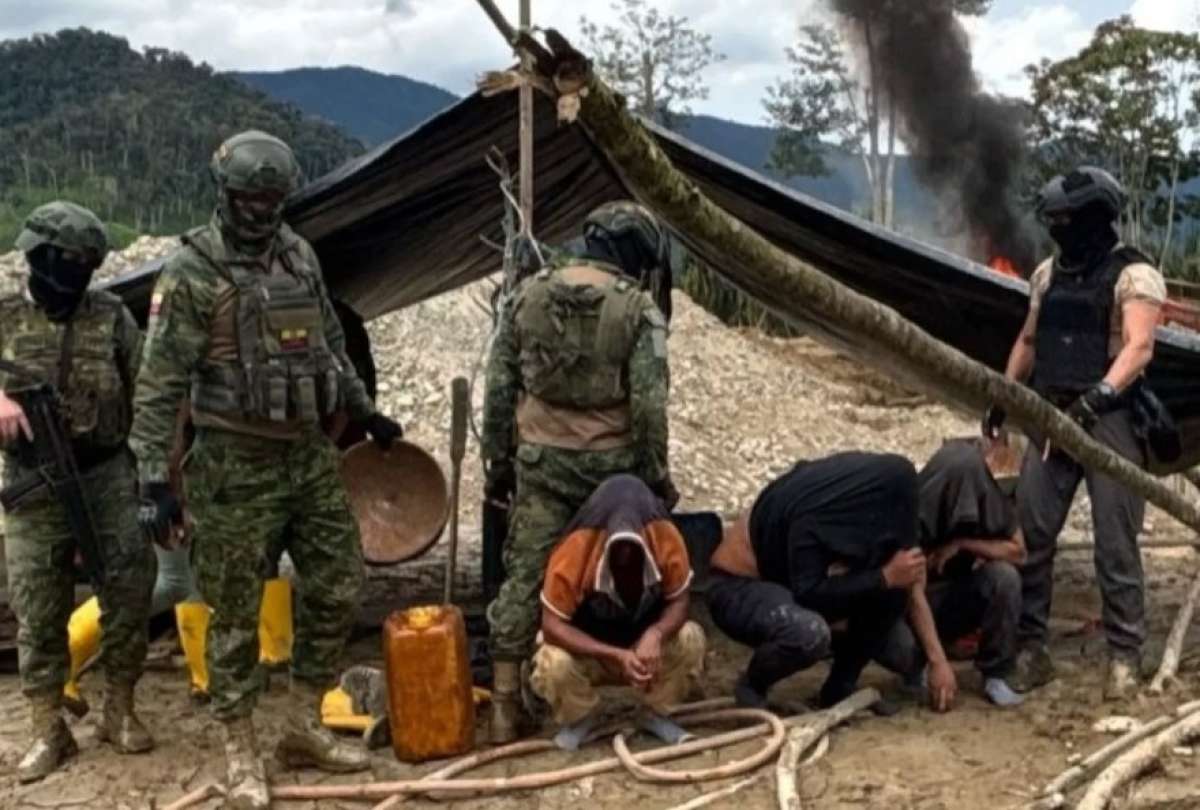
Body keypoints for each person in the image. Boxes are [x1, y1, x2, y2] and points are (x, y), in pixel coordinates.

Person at [129, 130, 403, 809]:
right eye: (249, 198)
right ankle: (239, 747)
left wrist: (366, 413)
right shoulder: (192, 271)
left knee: (339, 581)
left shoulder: (299, 255)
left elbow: (331, 348)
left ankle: (301, 722)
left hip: (306, 454)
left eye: (271, 199)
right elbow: (160, 382)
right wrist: (154, 481)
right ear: (224, 193)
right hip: (232, 460)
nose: (259, 211)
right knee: (233, 611)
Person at [482, 200, 675, 742]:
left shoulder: (527, 295)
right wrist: (654, 478)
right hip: (612, 472)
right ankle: (645, 677)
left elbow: (499, 391)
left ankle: (503, 709)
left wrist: (499, 466)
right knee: (631, 568)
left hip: (541, 465)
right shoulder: (638, 310)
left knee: (524, 576)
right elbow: (649, 409)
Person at [983, 166, 1165, 700]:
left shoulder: (1135, 276)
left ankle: (1125, 655)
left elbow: (1139, 347)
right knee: (1033, 534)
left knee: (1115, 542)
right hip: (1051, 413)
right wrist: (1003, 393)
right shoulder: (1047, 274)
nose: (1057, 226)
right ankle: (1032, 647)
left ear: (1090, 217)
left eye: (1065, 218)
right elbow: (1029, 339)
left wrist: (1100, 397)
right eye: (1053, 218)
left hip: (1111, 420)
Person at [0, 201, 156, 782]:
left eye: (87, 264)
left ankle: (120, 707)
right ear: (37, 255)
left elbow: (149, 390)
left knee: (129, 588)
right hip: (31, 479)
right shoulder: (6, 312)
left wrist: (160, 478)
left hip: (105, 472)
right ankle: (48, 729)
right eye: (67, 260)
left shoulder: (112, 315)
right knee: (38, 607)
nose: (76, 274)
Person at [706, 452, 958, 713]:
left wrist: (938, 661)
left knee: (896, 615)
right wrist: (883, 577)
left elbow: (910, 584)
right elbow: (808, 593)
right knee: (809, 633)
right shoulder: (814, 515)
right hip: (735, 587)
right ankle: (752, 685)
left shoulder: (890, 492)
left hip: (795, 586)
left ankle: (839, 689)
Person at [530, 475, 705, 750]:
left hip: (646, 657)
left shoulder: (665, 536)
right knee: (553, 661)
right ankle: (582, 718)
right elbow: (552, 625)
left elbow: (680, 601)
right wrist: (613, 654)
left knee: (690, 637)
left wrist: (655, 634)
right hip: (592, 655)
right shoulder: (576, 549)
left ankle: (656, 713)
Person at [877, 440, 1027, 707]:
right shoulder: (911, 515)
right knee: (900, 646)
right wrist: (939, 662)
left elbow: (1018, 552)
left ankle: (996, 673)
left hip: (948, 596)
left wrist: (964, 544)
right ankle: (917, 668)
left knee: (1004, 578)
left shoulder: (986, 499)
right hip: (905, 606)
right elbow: (914, 594)